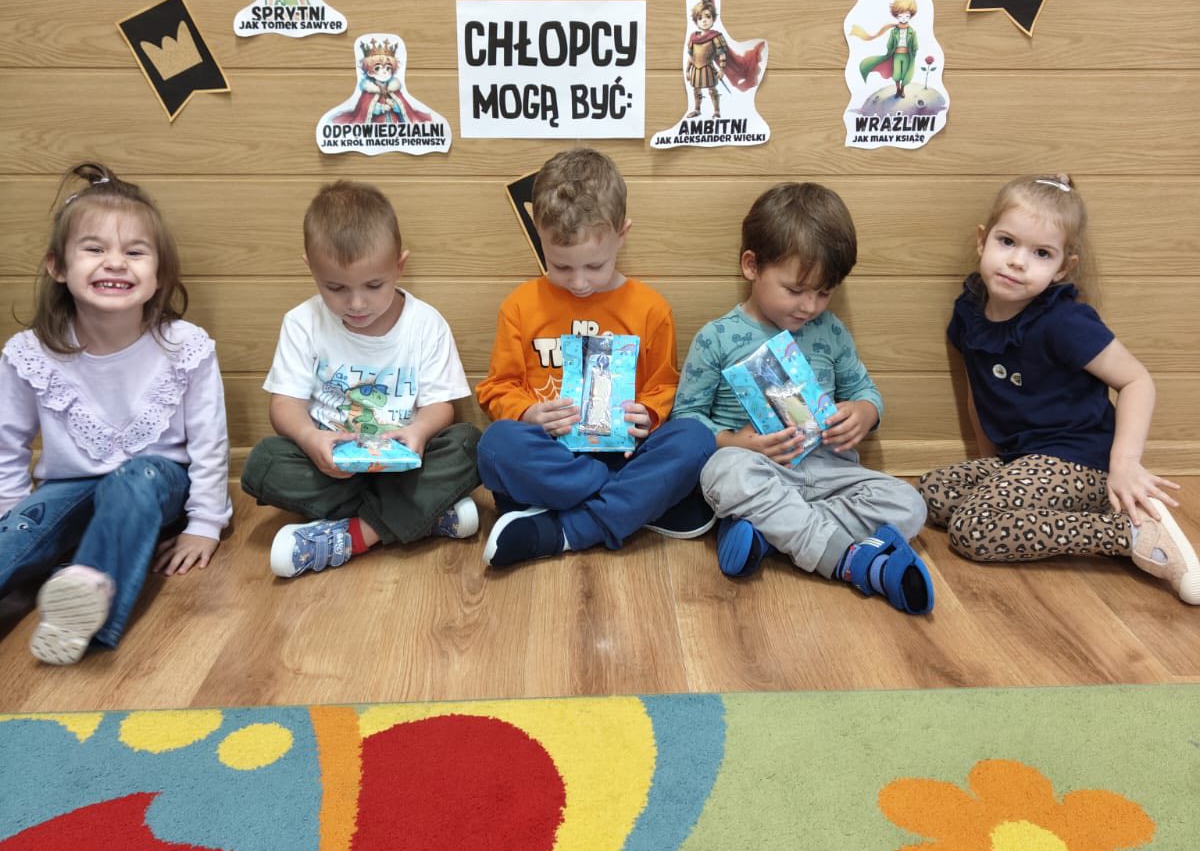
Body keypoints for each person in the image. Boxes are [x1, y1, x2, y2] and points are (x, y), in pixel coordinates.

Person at [917, 174, 1200, 603]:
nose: (1017, 262)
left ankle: (1130, 532)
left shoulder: (1063, 322)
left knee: (974, 527)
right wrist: (991, 463)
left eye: (1041, 253)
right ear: (982, 240)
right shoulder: (969, 313)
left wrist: (1124, 465)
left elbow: (1137, 380)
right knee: (931, 494)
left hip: (1079, 459)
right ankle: (1087, 508)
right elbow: (979, 391)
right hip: (1022, 457)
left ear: (1062, 268)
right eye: (1007, 242)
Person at [0, 163, 230, 663]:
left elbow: (209, 441)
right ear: (58, 267)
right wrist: (14, 512)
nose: (116, 263)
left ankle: (86, 605)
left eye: (135, 252)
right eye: (94, 249)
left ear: (159, 274)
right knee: (20, 532)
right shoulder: (29, 353)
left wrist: (205, 524)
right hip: (67, 487)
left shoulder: (184, 346)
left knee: (135, 478)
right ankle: (61, 572)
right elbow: (6, 443)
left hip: (154, 484)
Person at [674, 182, 933, 613]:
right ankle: (847, 560)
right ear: (751, 265)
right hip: (759, 470)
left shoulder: (830, 331)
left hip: (829, 473)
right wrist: (735, 442)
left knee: (910, 504)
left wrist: (863, 413)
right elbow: (686, 418)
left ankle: (771, 536)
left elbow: (864, 391)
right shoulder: (717, 337)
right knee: (725, 472)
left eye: (824, 292)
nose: (810, 306)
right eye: (795, 290)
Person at [476, 147, 716, 568]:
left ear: (622, 234)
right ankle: (637, 502)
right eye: (561, 267)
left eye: (594, 265)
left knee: (696, 439)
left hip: (627, 452)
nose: (580, 282)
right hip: (554, 455)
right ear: (540, 236)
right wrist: (528, 413)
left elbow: (664, 387)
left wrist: (649, 414)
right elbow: (498, 388)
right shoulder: (520, 306)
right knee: (494, 446)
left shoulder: (650, 308)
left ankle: (565, 529)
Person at [241, 181, 481, 578]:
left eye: (373, 286)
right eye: (335, 287)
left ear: (399, 266)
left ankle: (354, 535)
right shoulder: (302, 322)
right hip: (334, 470)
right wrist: (310, 438)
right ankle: (424, 515)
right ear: (311, 268)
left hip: (406, 468)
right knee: (263, 464)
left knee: (470, 445)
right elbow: (284, 404)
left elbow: (441, 406)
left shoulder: (425, 324)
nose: (356, 304)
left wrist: (419, 431)